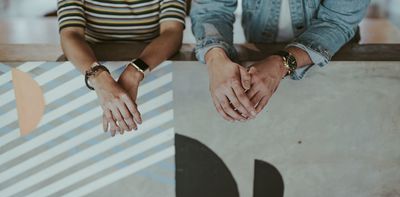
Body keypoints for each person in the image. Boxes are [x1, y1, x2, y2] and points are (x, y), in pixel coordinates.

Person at [190, 0, 370, 122]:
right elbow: (212, 10)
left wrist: (281, 63)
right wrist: (216, 57)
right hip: (260, 63)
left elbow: (338, 22)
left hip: (330, 61)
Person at [57, 0, 186, 136]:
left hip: (153, 68)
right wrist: (99, 77)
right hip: (87, 69)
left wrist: (134, 72)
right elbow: (70, 34)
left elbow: (173, 32)